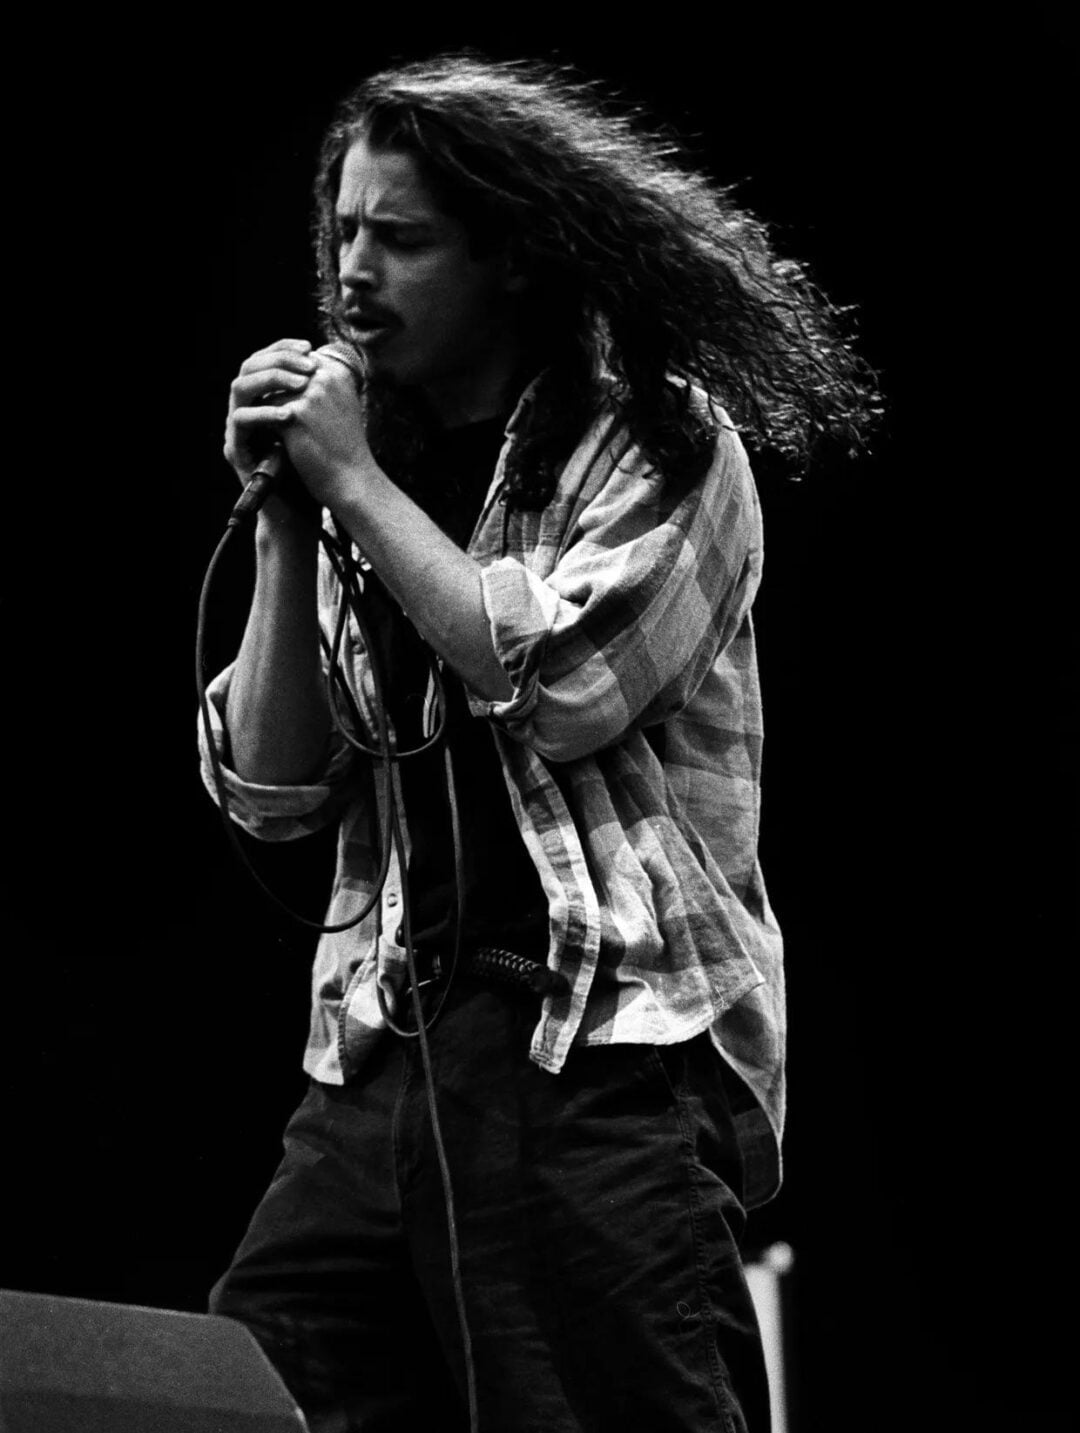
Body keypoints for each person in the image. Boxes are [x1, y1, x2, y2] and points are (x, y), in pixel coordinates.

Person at [199, 53, 878, 1433]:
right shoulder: (364, 477)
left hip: (600, 1051)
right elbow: (273, 789)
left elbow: (560, 683)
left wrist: (352, 483)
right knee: (252, 1387)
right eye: (342, 232)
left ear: (510, 256)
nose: (353, 274)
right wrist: (284, 519)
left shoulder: (663, 445)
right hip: (384, 1049)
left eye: (401, 240)